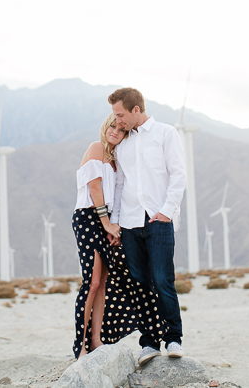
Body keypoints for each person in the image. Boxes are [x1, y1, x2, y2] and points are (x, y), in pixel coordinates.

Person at [71, 113, 165, 359]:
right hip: (88, 218)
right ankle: (80, 347)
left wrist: (114, 226)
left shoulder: (115, 160)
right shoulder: (95, 148)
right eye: (113, 126)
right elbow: (94, 187)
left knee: (103, 284)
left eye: (121, 130)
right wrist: (106, 223)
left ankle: (97, 340)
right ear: (106, 126)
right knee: (91, 283)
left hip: (106, 221)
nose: (116, 132)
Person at [108, 87, 187, 365]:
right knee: (139, 283)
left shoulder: (166, 134)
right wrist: (115, 221)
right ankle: (149, 342)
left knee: (163, 280)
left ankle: (173, 338)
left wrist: (166, 211)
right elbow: (119, 185)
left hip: (158, 219)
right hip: (129, 222)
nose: (117, 120)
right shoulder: (123, 144)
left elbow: (178, 174)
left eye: (120, 114)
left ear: (136, 110)